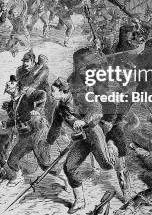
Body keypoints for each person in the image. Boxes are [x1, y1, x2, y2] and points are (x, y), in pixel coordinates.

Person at [46, 78, 117, 213]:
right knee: (69, 167)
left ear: (62, 91)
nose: (51, 94)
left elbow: (97, 110)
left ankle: (111, 147)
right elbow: (55, 128)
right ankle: (80, 201)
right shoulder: (60, 108)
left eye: (53, 91)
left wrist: (84, 121)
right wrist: (48, 143)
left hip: (94, 134)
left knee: (107, 164)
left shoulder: (80, 97)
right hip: (80, 139)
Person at [0, 78, 67, 187]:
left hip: (39, 132)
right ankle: (17, 177)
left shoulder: (27, 96)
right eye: (7, 83)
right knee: (12, 159)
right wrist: (2, 124)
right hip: (25, 136)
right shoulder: (11, 105)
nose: (8, 84)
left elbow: (42, 94)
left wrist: (37, 109)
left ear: (18, 86)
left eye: (12, 83)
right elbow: (14, 121)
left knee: (45, 164)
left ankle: (62, 174)